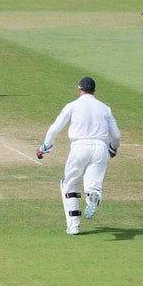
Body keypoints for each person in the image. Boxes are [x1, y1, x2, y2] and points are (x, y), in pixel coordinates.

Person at [36, 77, 121, 236]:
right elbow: (116, 136)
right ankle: (92, 196)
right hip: (100, 149)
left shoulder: (72, 106)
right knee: (92, 185)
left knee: (69, 184)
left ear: (78, 90)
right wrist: (112, 148)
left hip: (79, 147)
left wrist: (45, 147)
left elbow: (55, 128)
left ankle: (73, 226)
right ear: (94, 91)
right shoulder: (105, 108)